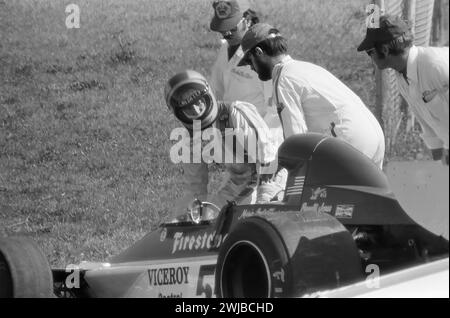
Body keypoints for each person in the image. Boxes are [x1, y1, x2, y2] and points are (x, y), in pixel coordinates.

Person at [237, 23, 387, 169]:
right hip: (373, 135)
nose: (251, 67)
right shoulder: (305, 68)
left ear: (258, 52)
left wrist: (277, 168)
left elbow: (296, 140)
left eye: (249, 61)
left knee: (322, 190)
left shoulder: (283, 78)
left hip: (350, 139)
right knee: (361, 194)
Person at [165, 70, 285, 217]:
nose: (197, 110)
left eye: (199, 101)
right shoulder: (190, 137)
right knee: (204, 218)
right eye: (189, 108)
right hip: (238, 183)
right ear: (180, 113)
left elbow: (267, 158)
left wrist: (263, 201)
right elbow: (195, 187)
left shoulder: (235, 114)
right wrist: (184, 217)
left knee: (258, 219)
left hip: (271, 176)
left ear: (208, 94)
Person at [357, 14, 449, 165]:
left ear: (385, 49)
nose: (370, 57)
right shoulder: (403, 76)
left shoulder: (435, 66)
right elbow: (428, 125)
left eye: (370, 52)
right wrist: (438, 168)